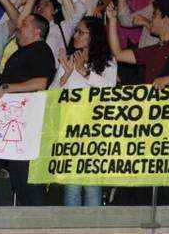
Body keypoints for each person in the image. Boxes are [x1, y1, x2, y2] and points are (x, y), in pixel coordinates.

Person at [0, 13, 55, 206]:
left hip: (27, 129)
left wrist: (6, 88)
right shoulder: (19, 52)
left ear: (37, 31)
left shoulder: (41, 49)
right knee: (19, 183)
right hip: (13, 125)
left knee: (29, 185)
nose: (19, 26)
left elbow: (41, 82)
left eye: (24, 24)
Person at [56, 16, 116, 207]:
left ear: (93, 37)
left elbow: (109, 92)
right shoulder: (69, 60)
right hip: (69, 131)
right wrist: (64, 76)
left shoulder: (108, 62)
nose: (75, 35)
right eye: (76, 31)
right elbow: (51, 97)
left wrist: (83, 71)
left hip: (94, 132)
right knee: (71, 186)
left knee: (91, 186)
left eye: (81, 32)